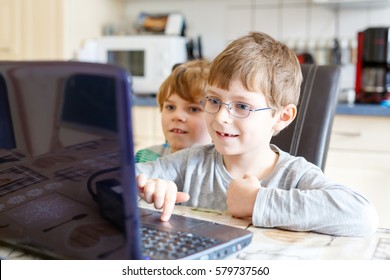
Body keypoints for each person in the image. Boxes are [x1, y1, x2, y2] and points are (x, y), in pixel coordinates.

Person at [135, 32, 378, 236]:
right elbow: (113, 179)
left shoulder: (294, 175)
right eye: (214, 100)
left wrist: (257, 201)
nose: (221, 117)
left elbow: (362, 215)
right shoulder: (190, 162)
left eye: (242, 106)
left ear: (282, 117)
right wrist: (146, 187)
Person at [135, 59, 212, 163]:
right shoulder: (144, 158)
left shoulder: (222, 168)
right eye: (170, 107)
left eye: (193, 109)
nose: (177, 116)